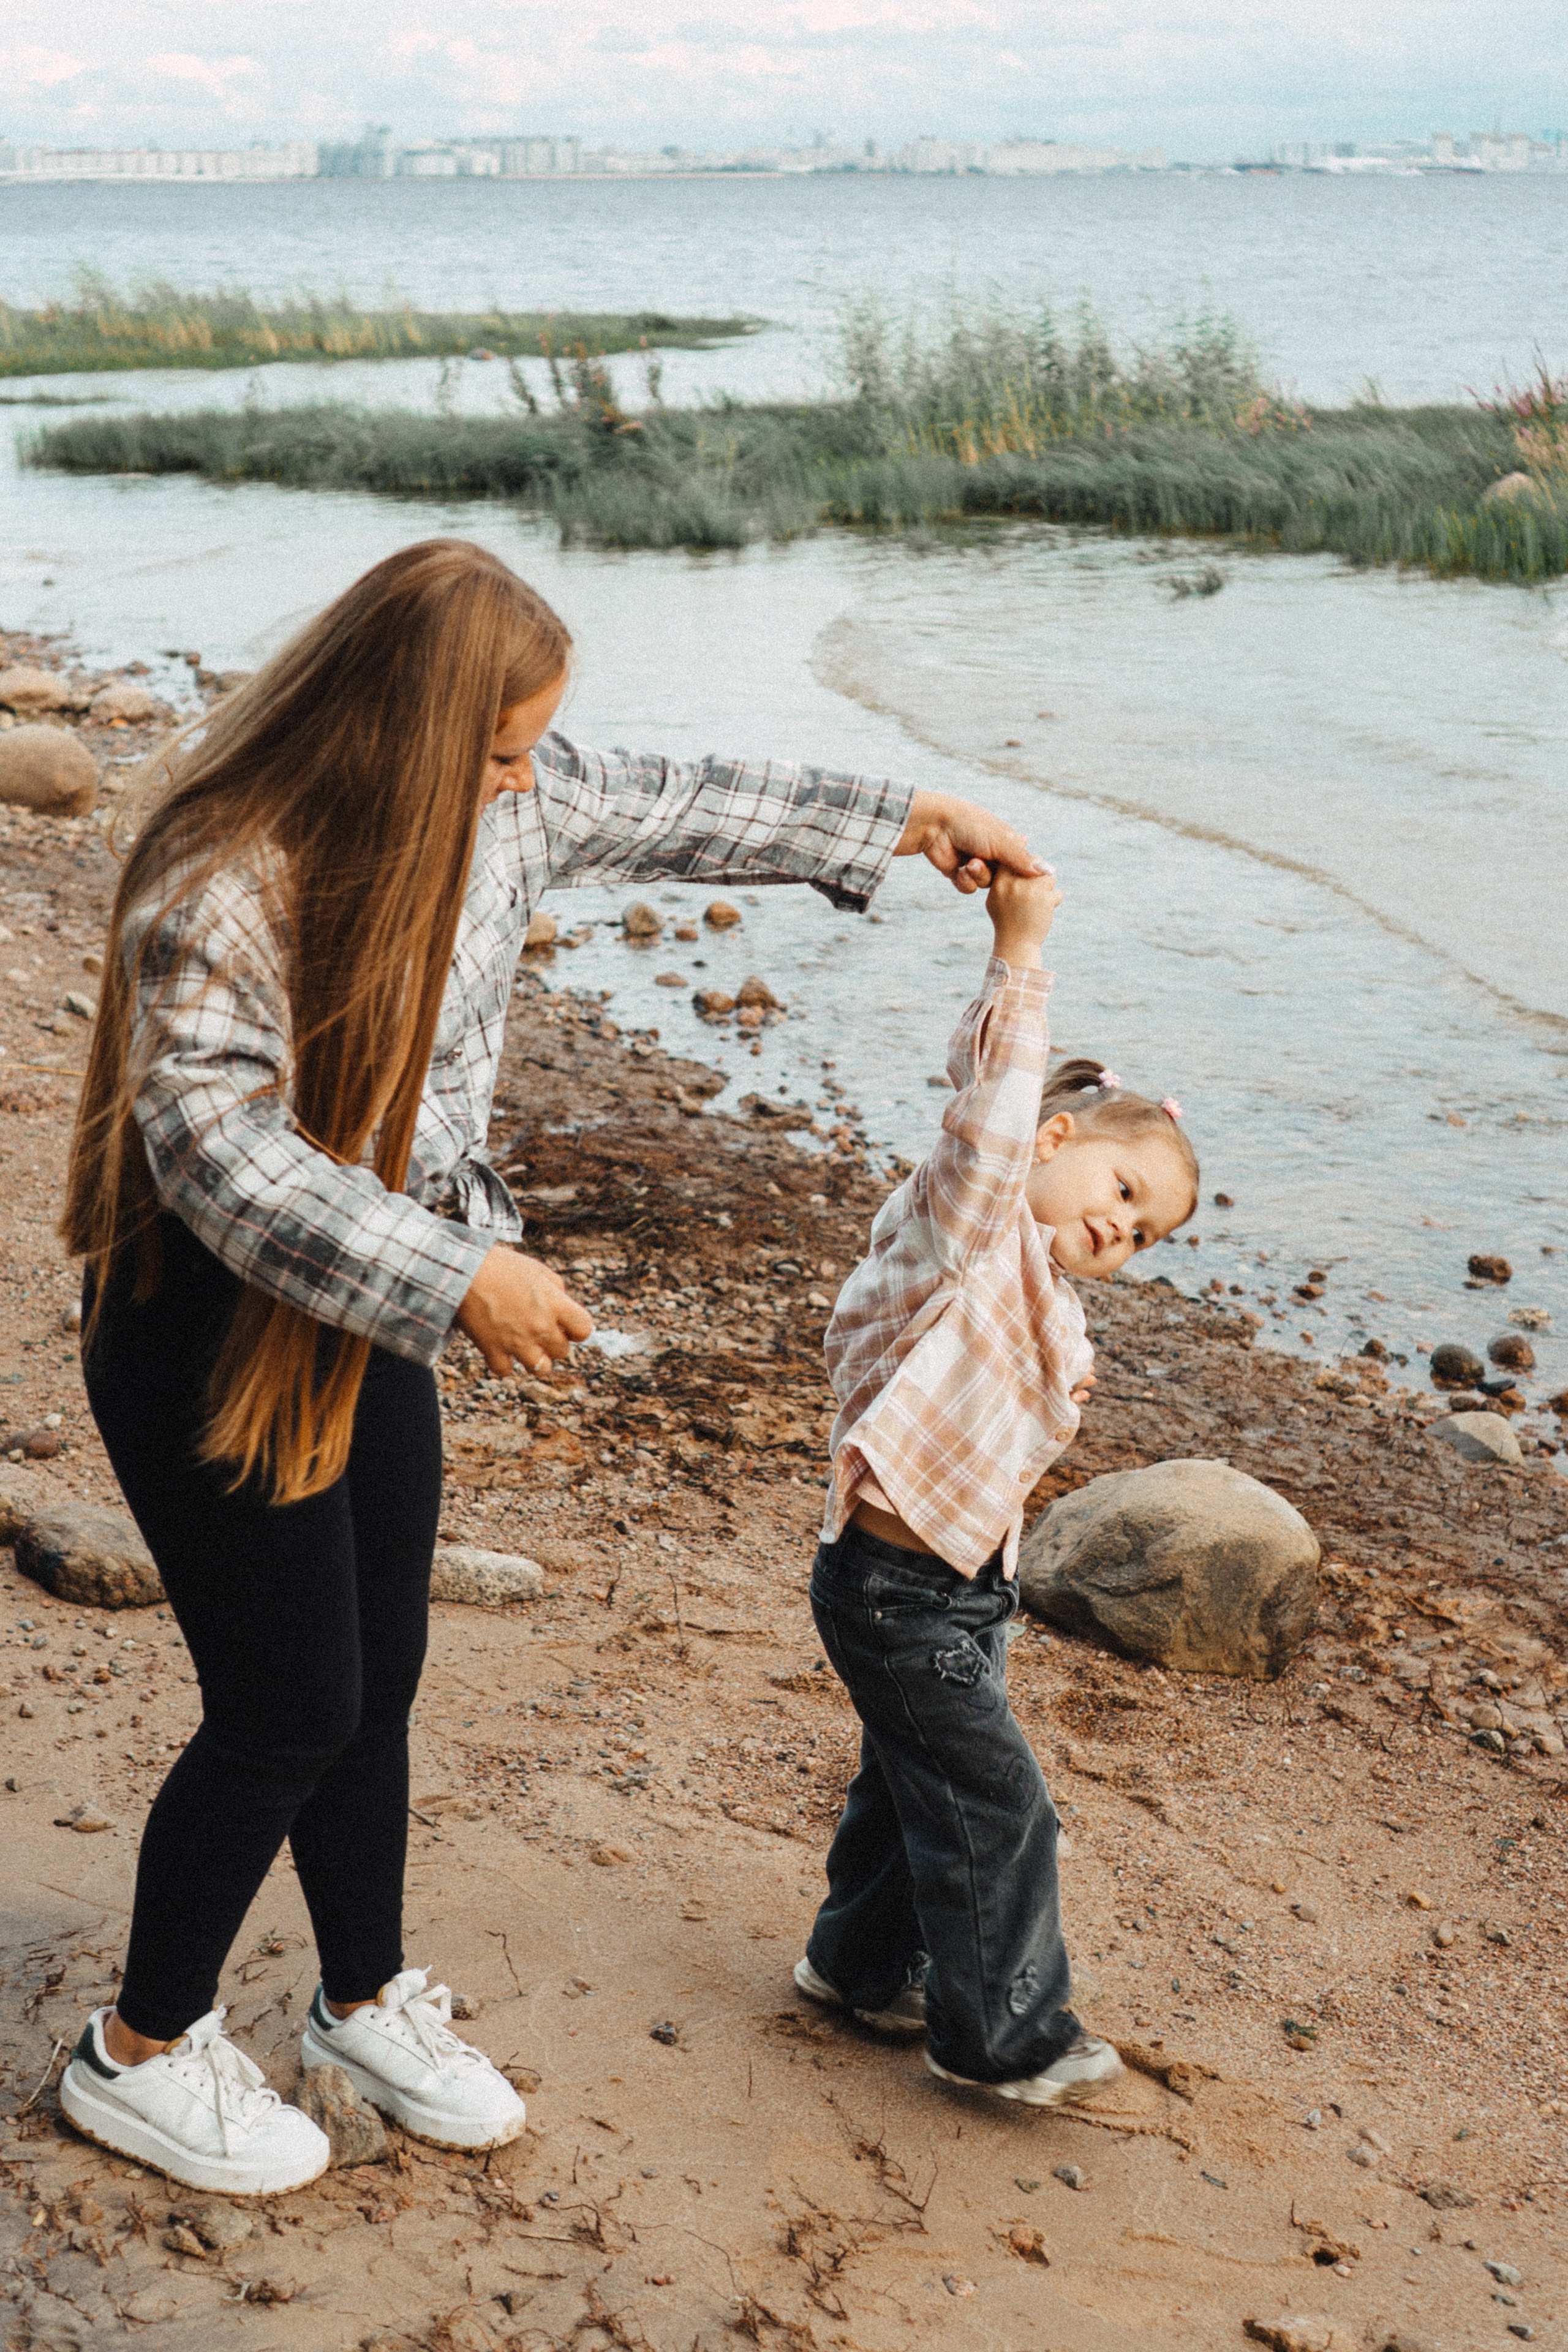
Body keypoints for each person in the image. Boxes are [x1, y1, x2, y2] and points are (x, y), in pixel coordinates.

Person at [52, 537, 1048, 2196]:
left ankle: (361, 1999)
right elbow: (218, 1154)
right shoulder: (221, 873)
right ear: (397, 726)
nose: (530, 780)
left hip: (365, 1321)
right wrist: (464, 1277)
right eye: (504, 748)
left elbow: (672, 797)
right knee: (289, 1701)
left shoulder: (500, 802)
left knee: (381, 1678)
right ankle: (142, 2051)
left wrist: (907, 819)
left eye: (532, 750)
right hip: (209, 1329)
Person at [795, 864, 1199, 2107]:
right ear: (1055, 1141)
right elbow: (993, 1097)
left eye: (1144, 1235)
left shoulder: (1042, 1297)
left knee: (904, 1784)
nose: (1118, 1232)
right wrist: (1019, 944)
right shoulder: (965, 1228)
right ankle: (1001, 2039)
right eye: (1121, 1194)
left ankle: (855, 1967)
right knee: (997, 1806)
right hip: (890, 1590)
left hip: (961, 1591)